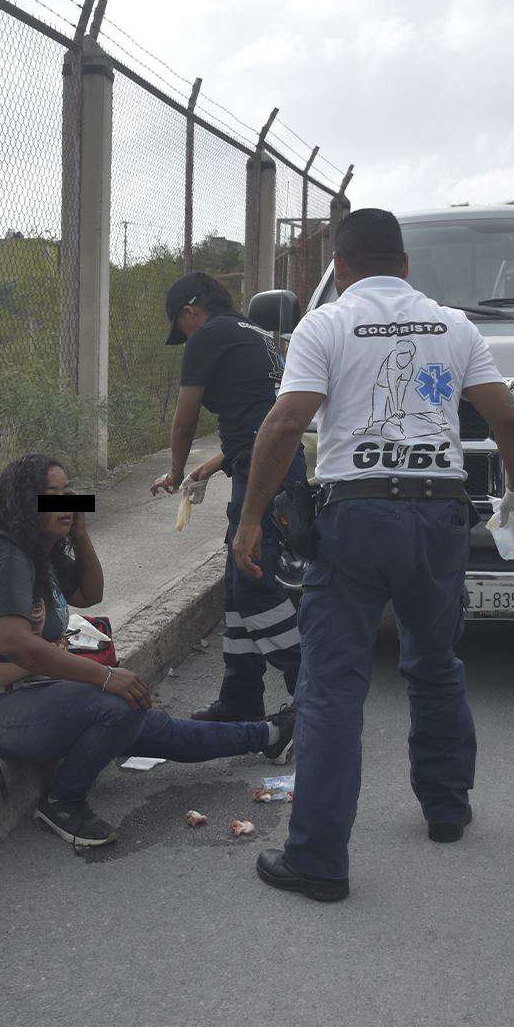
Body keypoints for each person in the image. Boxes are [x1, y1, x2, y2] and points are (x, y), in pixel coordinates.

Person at [228, 209, 514, 902]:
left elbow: (285, 423)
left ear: (339, 267)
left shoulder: (328, 324)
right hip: (438, 514)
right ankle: (447, 806)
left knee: (333, 686)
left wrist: (250, 519)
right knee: (435, 662)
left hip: (358, 515)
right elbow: (510, 418)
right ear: (404, 265)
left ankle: (317, 859)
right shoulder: (453, 325)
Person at [0, 454, 296, 848]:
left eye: (68, 492)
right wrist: (107, 677)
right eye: (52, 495)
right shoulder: (4, 557)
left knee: (154, 726)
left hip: (37, 693)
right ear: (26, 503)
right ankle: (63, 802)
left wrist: (79, 535)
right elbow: (16, 644)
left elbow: (89, 594)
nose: (66, 502)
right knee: (119, 707)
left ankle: (268, 735)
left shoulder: (39, 552)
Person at [151, 272, 309, 723]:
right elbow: (261, 414)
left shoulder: (207, 337)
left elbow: (183, 422)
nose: (183, 338)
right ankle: (241, 695)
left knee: (253, 584)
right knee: (237, 591)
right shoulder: (259, 336)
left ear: (190, 312)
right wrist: (215, 463)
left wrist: (177, 470)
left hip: (263, 476)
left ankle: (311, 692)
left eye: (180, 327)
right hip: (273, 465)